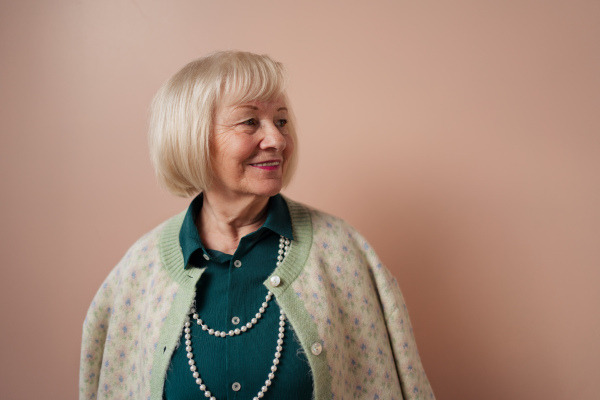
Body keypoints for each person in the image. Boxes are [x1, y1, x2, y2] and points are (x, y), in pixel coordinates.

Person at [79, 51, 435, 400]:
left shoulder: (342, 252)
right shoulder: (139, 272)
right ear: (192, 136)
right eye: (250, 122)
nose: (277, 140)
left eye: (280, 121)